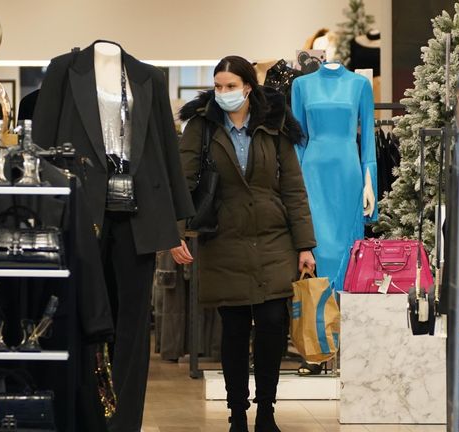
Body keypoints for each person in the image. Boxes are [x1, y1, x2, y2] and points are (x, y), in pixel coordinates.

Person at [172, 55, 317, 432]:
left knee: (272, 324)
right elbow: (184, 182)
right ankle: (237, 414)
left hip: (274, 238)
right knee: (233, 329)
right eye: (218, 86)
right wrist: (173, 234)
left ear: (248, 87)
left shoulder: (274, 125)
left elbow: (294, 189)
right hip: (224, 239)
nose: (223, 93)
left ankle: (266, 412)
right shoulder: (201, 126)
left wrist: (305, 245)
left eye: (231, 86)